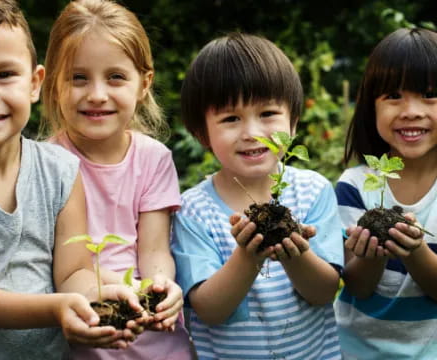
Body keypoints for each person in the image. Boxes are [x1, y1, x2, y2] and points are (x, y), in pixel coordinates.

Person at [0, 1, 145, 359]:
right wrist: (58, 308)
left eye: (3, 75)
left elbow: (73, 270)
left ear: (34, 83)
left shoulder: (60, 170)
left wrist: (98, 295)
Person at [171, 32, 344, 360]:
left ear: (293, 122)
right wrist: (247, 257)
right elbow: (209, 310)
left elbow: (324, 292)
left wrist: (295, 253)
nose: (252, 133)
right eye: (230, 118)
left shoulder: (314, 191)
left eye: (267, 114)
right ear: (201, 133)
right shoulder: (193, 210)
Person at [40, 0, 193, 359]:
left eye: (115, 77)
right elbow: (65, 268)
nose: (97, 94)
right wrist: (119, 290)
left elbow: (154, 250)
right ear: (53, 84)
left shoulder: (153, 158)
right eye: (79, 78)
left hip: (154, 335)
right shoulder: (44, 163)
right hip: (86, 331)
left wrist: (161, 286)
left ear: (144, 83)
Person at [334, 28, 437, 359]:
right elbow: (358, 287)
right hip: (358, 350)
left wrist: (414, 250)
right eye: (393, 95)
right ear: (370, 107)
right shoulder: (355, 185)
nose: (410, 110)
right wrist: (370, 255)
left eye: (429, 95)